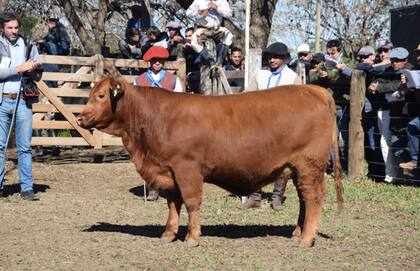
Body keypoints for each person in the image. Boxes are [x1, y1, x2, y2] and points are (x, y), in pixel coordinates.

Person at [239, 42, 300, 210]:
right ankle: (255, 196)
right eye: (270, 57)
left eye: (276, 57)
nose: (272, 60)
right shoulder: (260, 75)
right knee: (254, 160)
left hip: (282, 126)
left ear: (283, 58)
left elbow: (298, 105)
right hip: (258, 125)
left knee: (282, 162)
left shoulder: (292, 78)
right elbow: (248, 96)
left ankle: (277, 197)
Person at [133, 46, 184, 200]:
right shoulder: (139, 80)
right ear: (149, 61)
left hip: (168, 124)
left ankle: (173, 185)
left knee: (171, 156)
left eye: (160, 60)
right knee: (149, 156)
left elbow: (180, 101)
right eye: (154, 60)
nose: (157, 63)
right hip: (147, 124)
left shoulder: (173, 80)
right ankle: (153, 188)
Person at [0, 12, 41, 200]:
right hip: (2, 102)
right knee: (0, 147)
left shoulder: (29, 46)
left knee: (24, 147)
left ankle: (27, 188)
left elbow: (39, 75)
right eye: (10, 28)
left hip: (23, 100)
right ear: (2, 28)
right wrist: (18, 68)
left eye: (16, 27)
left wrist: (33, 70)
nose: (14, 31)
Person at [368, 47, 413, 183]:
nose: (394, 63)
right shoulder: (388, 70)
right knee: (385, 142)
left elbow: (401, 85)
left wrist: (380, 88)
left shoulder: (410, 70)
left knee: (403, 144)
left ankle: (409, 177)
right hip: (386, 110)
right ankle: (391, 176)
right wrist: (373, 85)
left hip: (404, 112)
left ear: (405, 60)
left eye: (397, 60)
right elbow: (380, 80)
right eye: (392, 60)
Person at [186, 0, 233, 66]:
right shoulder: (198, 1)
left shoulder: (221, 1)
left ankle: (219, 62)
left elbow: (229, 14)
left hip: (216, 29)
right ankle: (210, 60)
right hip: (202, 29)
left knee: (229, 35)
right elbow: (188, 13)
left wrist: (217, 8)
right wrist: (199, 13)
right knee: (194, 42)